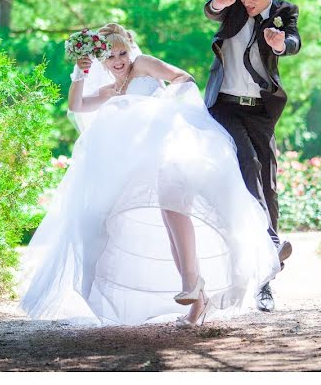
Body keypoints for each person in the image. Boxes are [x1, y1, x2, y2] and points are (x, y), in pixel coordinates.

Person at [17, 23, 280, 327]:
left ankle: (193, 287)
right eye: (112, 56)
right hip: (147, 163)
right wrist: (80, 71)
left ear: (131, 49)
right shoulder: (111, 89)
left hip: (172, 149)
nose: (119, 60)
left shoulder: (143, 66)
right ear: (102, 61)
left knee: (176, 210)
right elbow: (77, 105)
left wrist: (165, 107)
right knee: (168, 218)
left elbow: (183, 77)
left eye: (123, 52)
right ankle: (197, 296)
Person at [203, 0, 301, 312]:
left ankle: (264, 283)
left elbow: (293, 40)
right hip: (225, 105)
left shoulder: (285, 10)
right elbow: (212, 12)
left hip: (261, 109)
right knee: (249, 161)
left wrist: (279, 44)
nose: (247, 2)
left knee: (267, 181)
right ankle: (272, 241)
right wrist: (218, 2)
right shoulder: (233, 6)